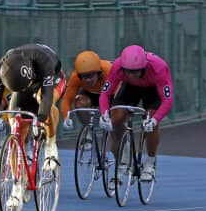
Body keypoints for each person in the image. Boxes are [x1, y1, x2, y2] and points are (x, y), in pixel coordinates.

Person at [0, 43, 66, 206]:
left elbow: (47, 97)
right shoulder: (2, 68)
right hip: (23, 87)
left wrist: (40, 120)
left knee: (43, 100)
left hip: (51, 79)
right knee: (15, 127)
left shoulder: (44, 60)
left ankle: (50, 145)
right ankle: (18, 185)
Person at [99, 44, 173, 182]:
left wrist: (155, 120)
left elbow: (167, 100)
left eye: (136, 71)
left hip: (152, 88)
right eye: (128, 71)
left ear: (144, 67)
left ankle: (150, 162)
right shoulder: (118, 66)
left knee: (150, 120)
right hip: (130, 87)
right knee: (116, 119)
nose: (132, 75)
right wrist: (104, 114)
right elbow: (105, 93)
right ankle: (126, 149)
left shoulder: (159, 68)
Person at [61, 50, 111, 132]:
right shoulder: (75, 77)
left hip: (110, 93)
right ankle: (88, 130)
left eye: (91, 75)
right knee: (79, 103)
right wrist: (66, 117)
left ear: (98, 73)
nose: (88, 80)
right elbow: (67, 99)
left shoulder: (108, 71)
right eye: (84, 76)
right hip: (91, 94)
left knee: (116, 116)